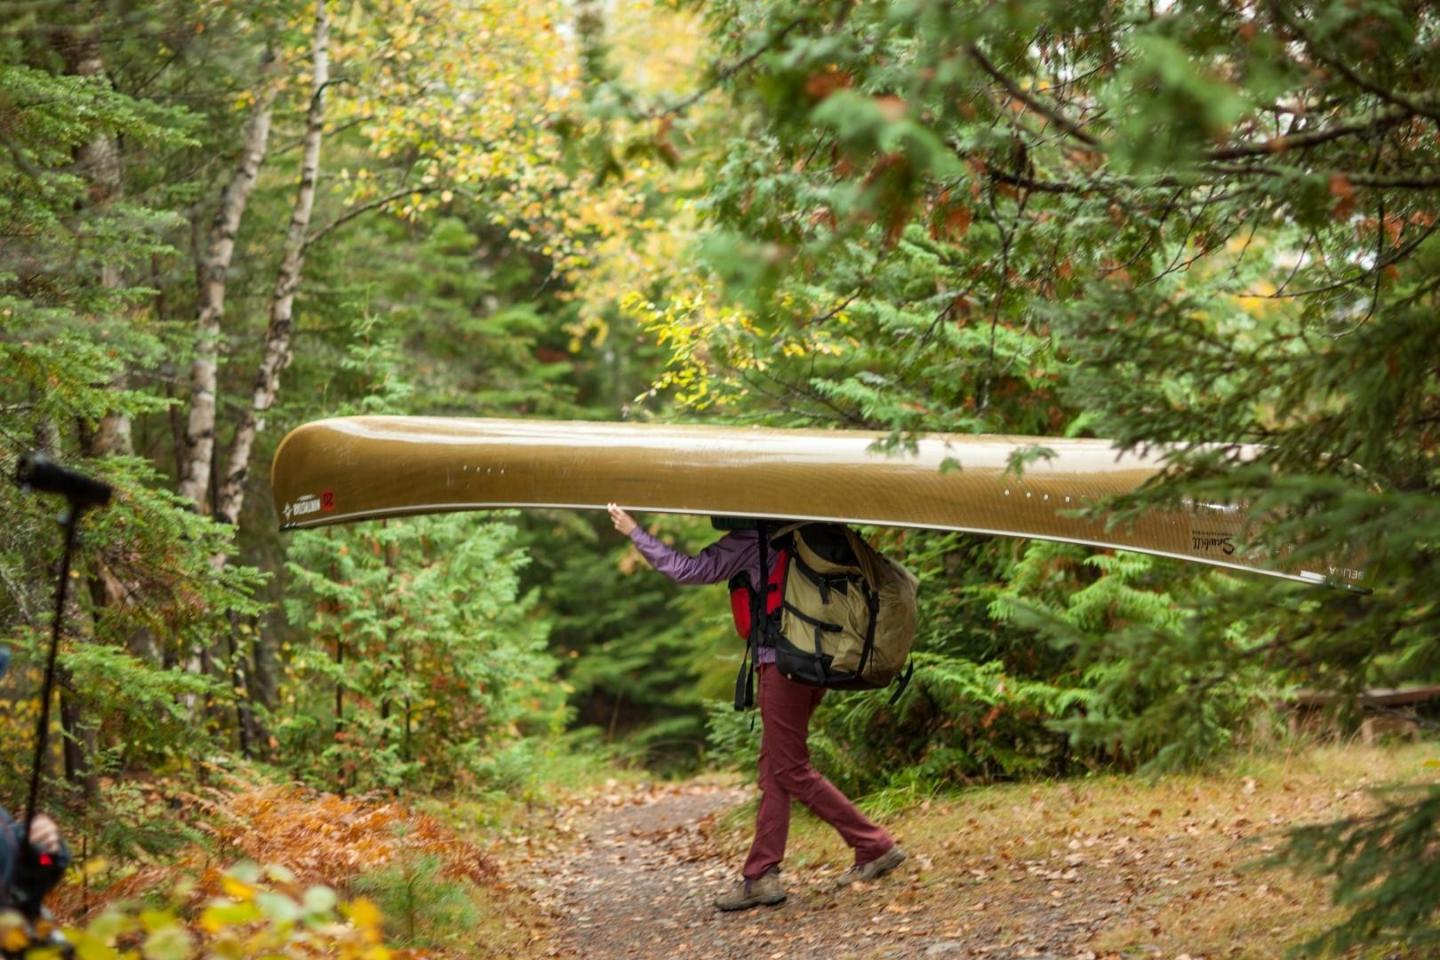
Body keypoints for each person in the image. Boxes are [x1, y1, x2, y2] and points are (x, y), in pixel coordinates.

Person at [607, 504, 906, 912]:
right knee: (774, 769)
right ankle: (761, 875)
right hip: (816, 664)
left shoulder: (754, 541)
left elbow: (686, 570)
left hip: (782, 666)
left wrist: (634, 532)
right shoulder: (811, 532)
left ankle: (873, 843)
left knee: (789, 768)